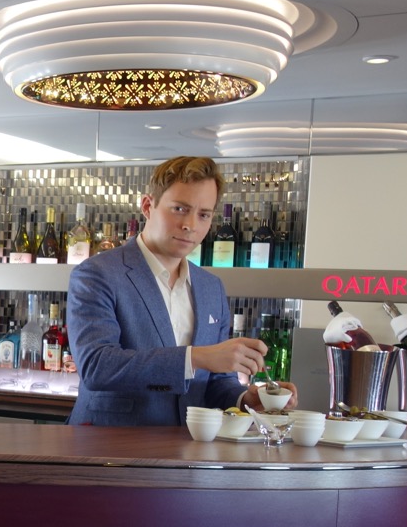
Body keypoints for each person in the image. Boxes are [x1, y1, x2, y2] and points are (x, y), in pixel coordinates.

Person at [65, 156, 298, 426]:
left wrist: (245, 400)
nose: (191, 225)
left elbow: (217, 383)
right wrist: (196, 356)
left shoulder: (211, 287)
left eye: (204, 215)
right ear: (148, 206)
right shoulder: (97, 274)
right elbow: (97, 366)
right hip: (110, 449)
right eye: (179, 209)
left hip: (187, 451)